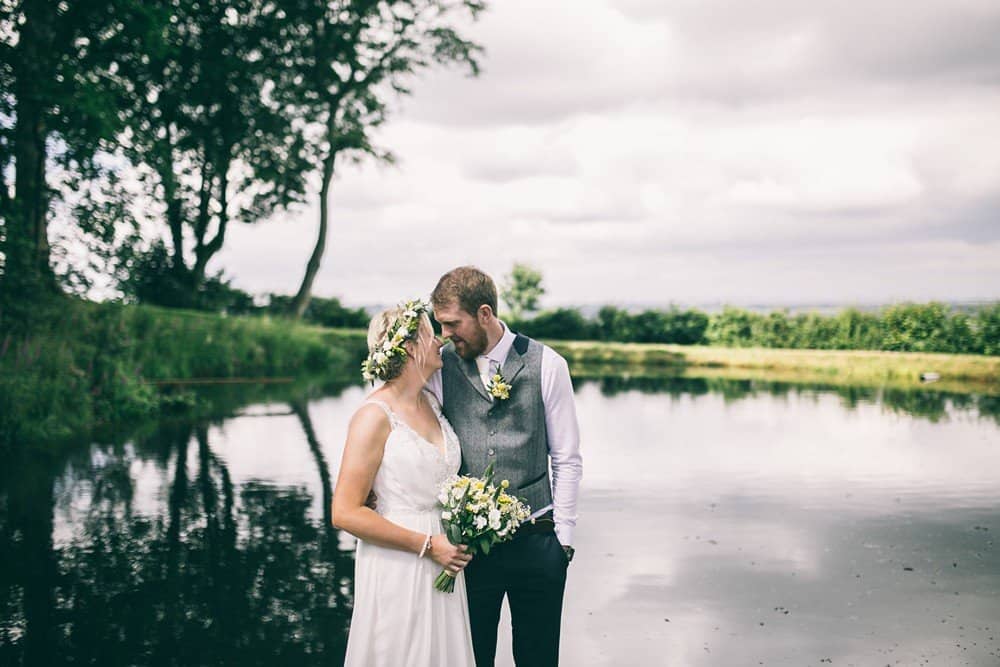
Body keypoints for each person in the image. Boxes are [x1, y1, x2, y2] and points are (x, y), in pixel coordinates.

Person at [428, 266, 583, 667]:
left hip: (538, 540)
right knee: (471, 657)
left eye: (451, 324)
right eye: (440, 325)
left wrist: (562, 541)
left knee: (538, 658)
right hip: (471, 550)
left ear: (484, 313)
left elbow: (566, 458)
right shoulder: (440, 367)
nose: (445, 334)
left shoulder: (547, 364)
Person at [332, 300, 476, 666]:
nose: (440, 341)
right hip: (400, 560)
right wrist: (428, 545)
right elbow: (345, 513)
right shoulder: (373, 417)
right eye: (431, 334)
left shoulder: (430, 401)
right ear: (411, 348)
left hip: (444, 559)